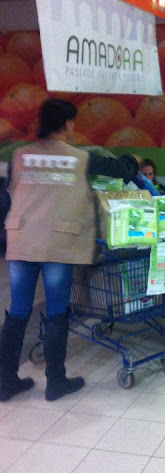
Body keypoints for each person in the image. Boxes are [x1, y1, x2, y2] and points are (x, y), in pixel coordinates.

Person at [0, 98, 139, 403]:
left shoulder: (19, 156)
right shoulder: (80, 158)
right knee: (56, 312)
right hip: (57, 243)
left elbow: (9, 194)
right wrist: (133, 158)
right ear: (68, 123)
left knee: (18, 311)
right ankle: (56, 382)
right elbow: (120, 170)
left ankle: (6, 381)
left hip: (21, 239)